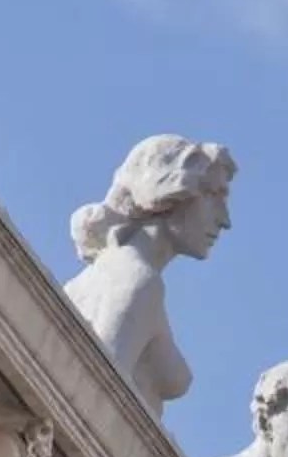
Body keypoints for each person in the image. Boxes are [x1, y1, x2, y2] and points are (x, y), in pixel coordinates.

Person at [62, 136, 235, 418]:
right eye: (212, 195)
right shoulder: (137, 282)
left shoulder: (109, 272)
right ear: (168, 191)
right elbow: (90, 401)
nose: (224, 219)